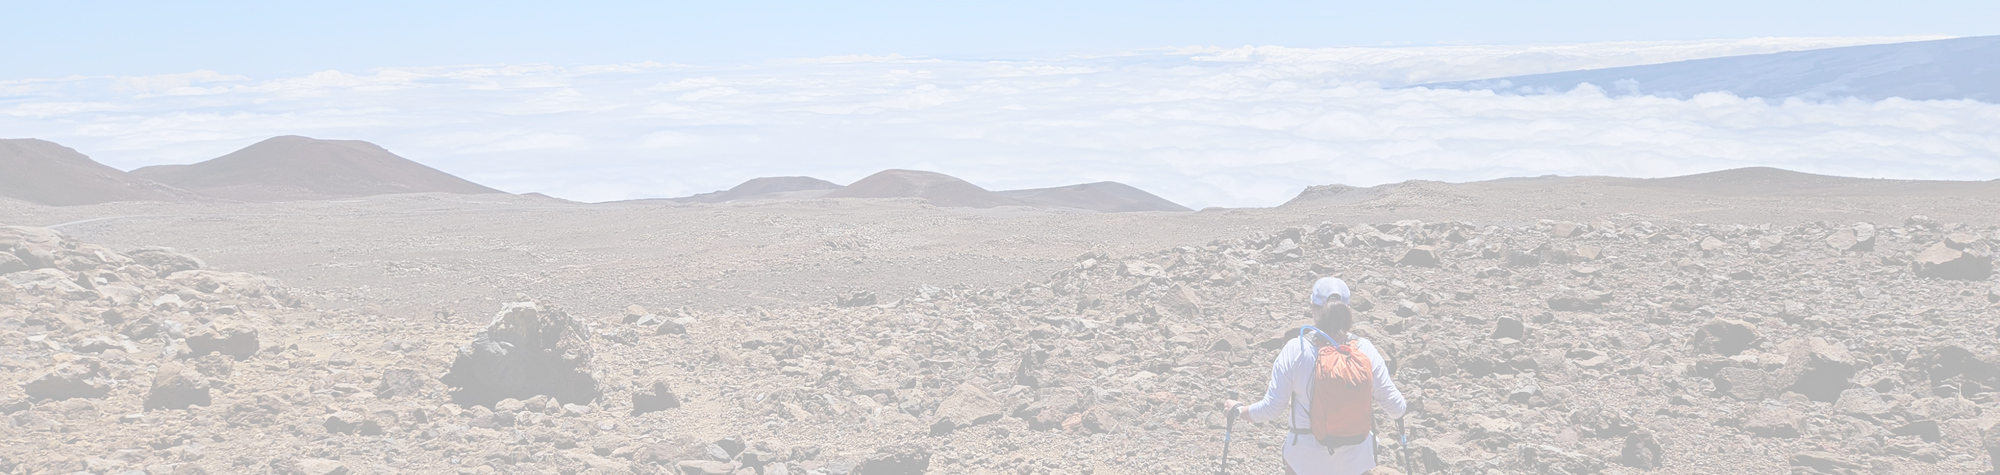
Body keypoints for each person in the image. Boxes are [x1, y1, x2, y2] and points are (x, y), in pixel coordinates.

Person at [1224, 276, 1408, 475]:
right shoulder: (1365, 350)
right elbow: (1397, 408)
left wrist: (1238, 411)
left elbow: (1272, 409)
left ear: (1313, 308)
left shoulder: (1297, 349)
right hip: (1356, 461)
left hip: (1306, 460)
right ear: (1348, 311)